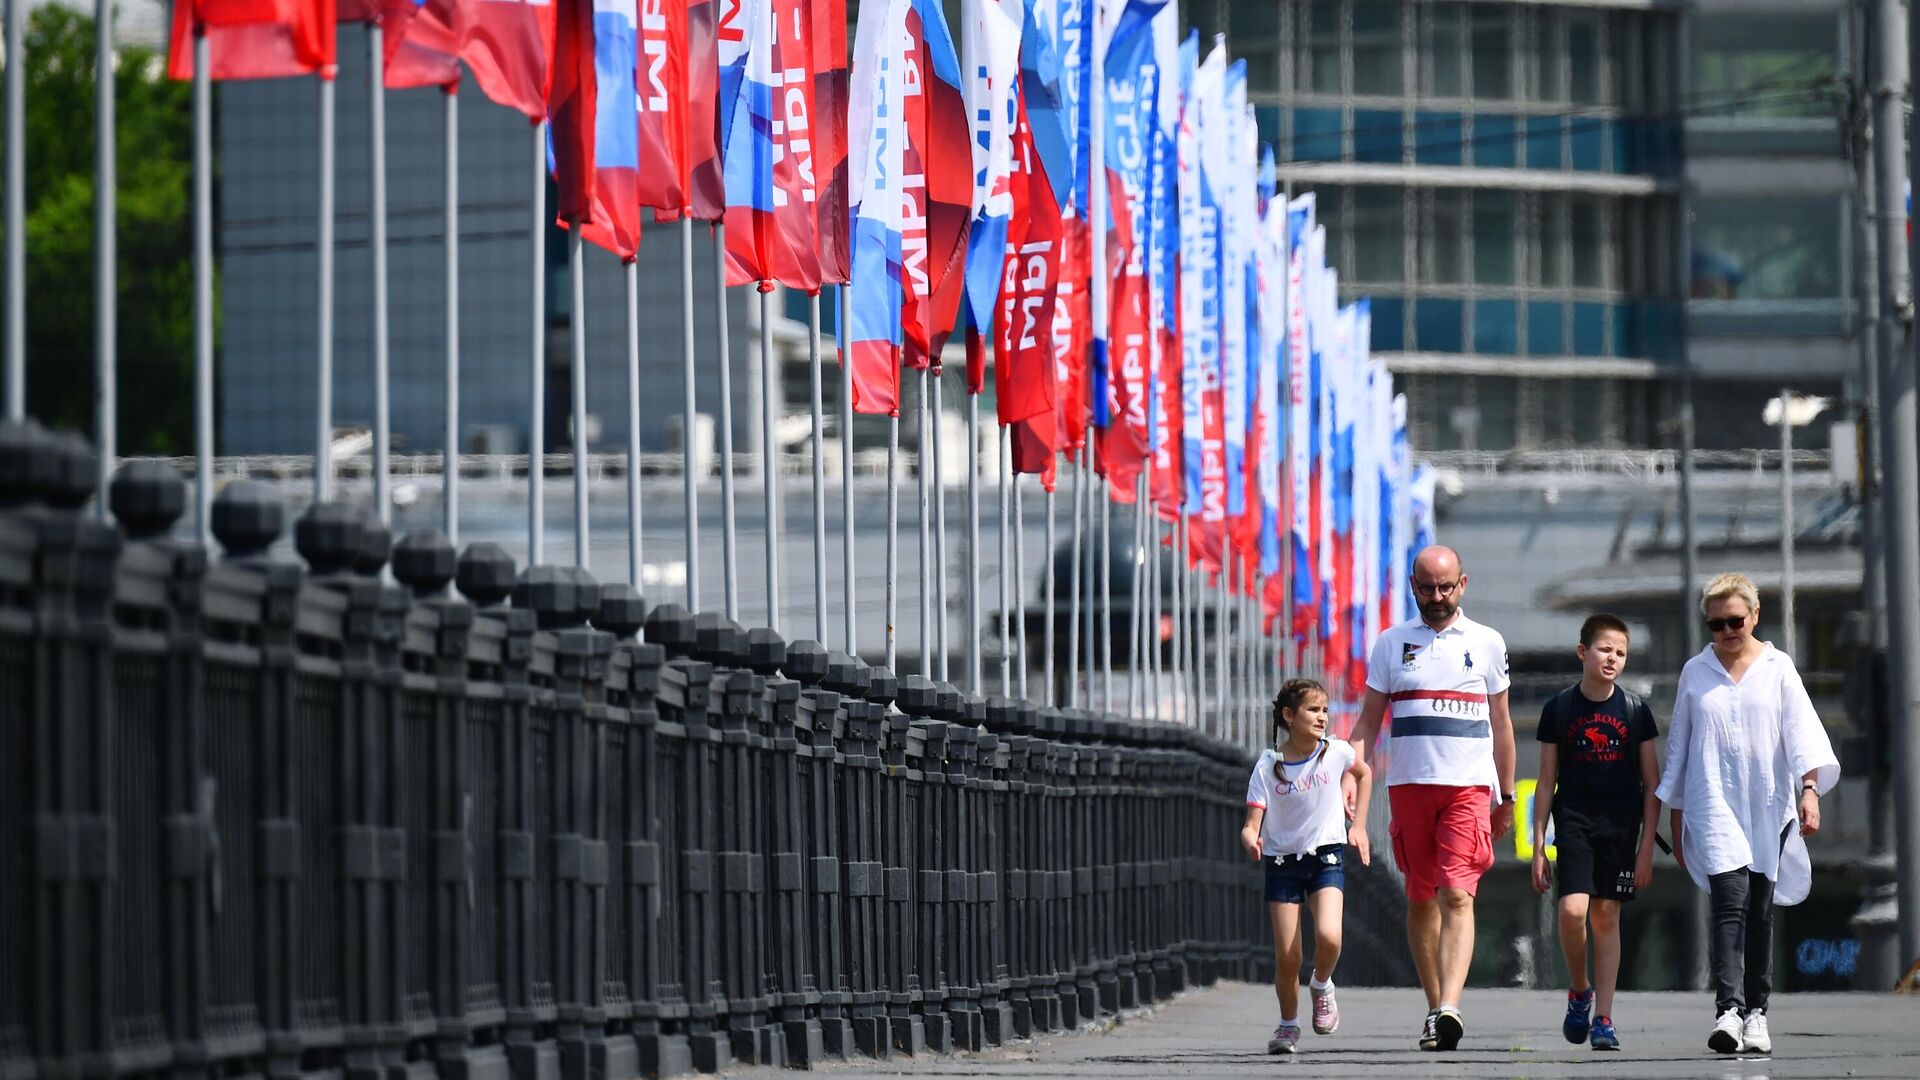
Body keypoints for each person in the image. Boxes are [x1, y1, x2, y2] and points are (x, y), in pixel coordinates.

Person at [1656, 573, 1839, 1056]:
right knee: (1728, 903)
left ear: (1755, 616)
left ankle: (1757, 1011)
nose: (1727, 631)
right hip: (1712, 800)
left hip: (1766, 803)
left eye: (1735, 620)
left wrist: (1809, 789)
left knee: (1759, 909)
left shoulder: (1779, 668)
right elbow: (1680, 745)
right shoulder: (1695, 672)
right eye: (1716, 624)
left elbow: (1802, 733)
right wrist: (1675, 814)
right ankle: (1729, 1010)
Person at [1349, 545, 1515, 1052]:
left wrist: (1506, 796)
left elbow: (1502, 724)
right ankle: (1433, 1007)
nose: (1437, 597)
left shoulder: (1487, 642)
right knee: (1421, 899)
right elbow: (1368, 723)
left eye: (1446, 587)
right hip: (1409, 787)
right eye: (1427, 588)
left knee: (1456, 893)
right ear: (1412, 586)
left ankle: (1450, 1006)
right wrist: (1347, 781)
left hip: (1467, 787)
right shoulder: (1391, 643)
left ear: (1463, 584)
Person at [1530, 614, 1660, 1051]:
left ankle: (1604, 1017)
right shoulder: (1559, 708)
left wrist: (1646, 850)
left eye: (1621, 653)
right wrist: (1536, 847)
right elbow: (1546, 781)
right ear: (1583, 652)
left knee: (1606, 916)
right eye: (1605, 649)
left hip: (1621, 826)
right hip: (1574, 821)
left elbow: (1651, 784)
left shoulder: (1636, 710)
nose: (1613, 659)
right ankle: (1580, 989)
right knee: (1571, 911)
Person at [1241, 678, 1373, 1055]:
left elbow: (1363, 773)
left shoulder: (1336, 752)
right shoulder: (1269, 766)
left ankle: (1321, 984)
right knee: (1288, 956)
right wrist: (1251, 839)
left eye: (1325, 711)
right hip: (1282, 862)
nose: (1322, 718)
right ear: (1288, 715)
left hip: (1326, 855)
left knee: (1330, 936)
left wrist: (1359, 825)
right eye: (1313, 710)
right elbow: (1251, 824)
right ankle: (1287, 1025)